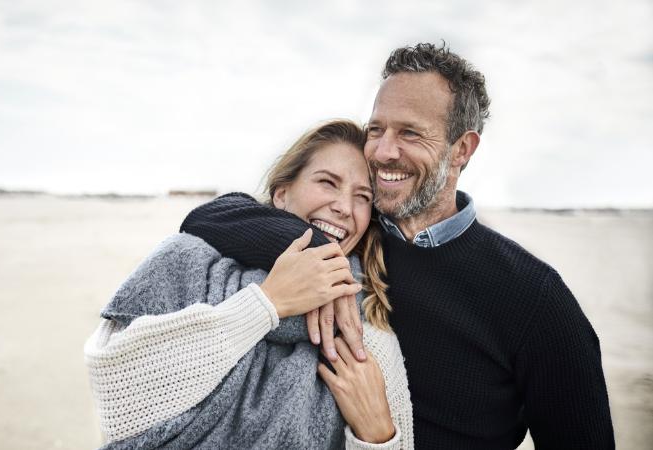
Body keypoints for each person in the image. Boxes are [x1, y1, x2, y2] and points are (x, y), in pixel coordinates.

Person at [181, 43, 614, 449]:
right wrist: (318, 251)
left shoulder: (535, 299)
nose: (384, 151)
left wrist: (379, 432)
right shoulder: (351, 233)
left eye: (410, 133)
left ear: (461, 148)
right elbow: (210, 216)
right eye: (377, 129)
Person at [85, 120, 413, 449]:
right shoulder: (186, 258)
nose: (343, 207)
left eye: (362, 197)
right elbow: (115, 393)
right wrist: (266, 304)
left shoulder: (366, 323)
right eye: (328, 182)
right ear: (282, 194)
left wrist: (377, 434)